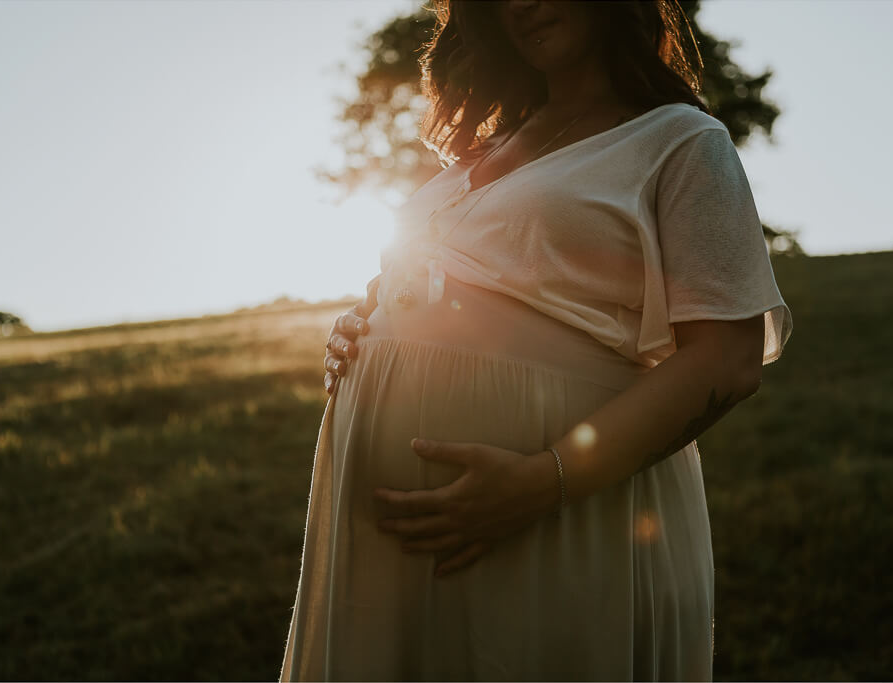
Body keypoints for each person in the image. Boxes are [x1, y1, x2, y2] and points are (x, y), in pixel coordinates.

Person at [281, 0, 792, 680]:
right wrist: (366, 325)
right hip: (385, 534)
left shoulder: (680, 140)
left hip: (556, 516)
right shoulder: (478, 152)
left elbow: (725, 362)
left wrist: (542, 480)